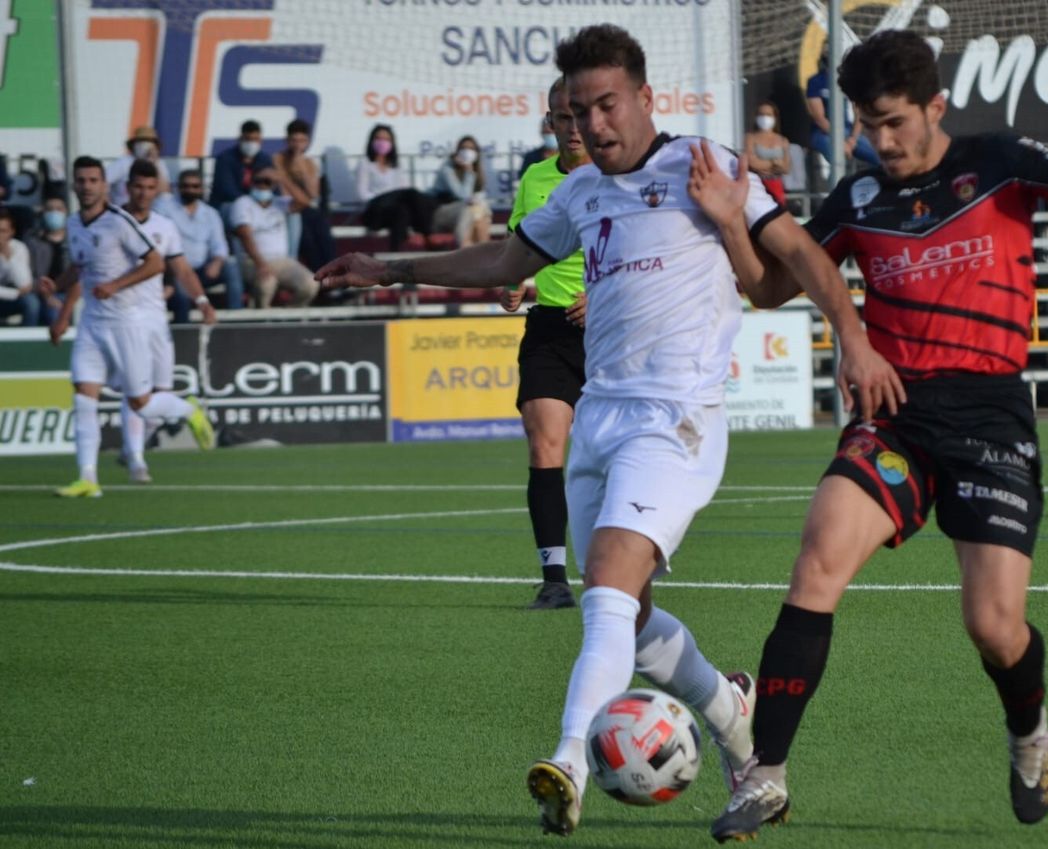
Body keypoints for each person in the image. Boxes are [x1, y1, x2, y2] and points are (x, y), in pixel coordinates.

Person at [313, 24, 901, 838]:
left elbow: (798, 253)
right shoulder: (581, 193)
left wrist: (855, 335)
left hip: (675, 419)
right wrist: (387, 271)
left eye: (607, 105)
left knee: (608, 585)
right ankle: (732, 712)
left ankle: (571, 760)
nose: (593, 124)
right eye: (578, 111)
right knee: (624, 607)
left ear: (645, 98)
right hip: (601, 417)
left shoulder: (702, 164)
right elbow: (502, 263)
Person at [702, 30, 1048, 841]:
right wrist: (729, 224)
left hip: (989, 414)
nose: (878, 141)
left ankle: (1030, 733)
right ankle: (764, 778)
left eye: (892, 123)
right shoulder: (857, 197)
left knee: (992, 625)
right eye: (865, 124)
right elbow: (771, 286)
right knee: (818, 557)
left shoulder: (1000, 163)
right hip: (895, 416)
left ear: (935, 108)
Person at [48, 156, 215, 498]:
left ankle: (188, 409)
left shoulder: (119, 222)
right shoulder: (75, 223)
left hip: (128, 324)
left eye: (94, 180)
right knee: (83, 398)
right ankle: (88, 478)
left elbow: (155, 264)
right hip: (93, 323)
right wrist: (57, 287)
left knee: (140, 402)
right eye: (82, 180)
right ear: (75, 185)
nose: (87, 186)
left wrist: (116, 285)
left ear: (105, 185)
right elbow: (80, 268)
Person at [503, 77, 592, 611]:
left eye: (579, 115)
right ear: (552, 121)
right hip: (551, 330)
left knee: (608, 460)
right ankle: (554, 577)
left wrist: (603, 296)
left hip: (613, 334)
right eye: (563, 116)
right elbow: (520, 246)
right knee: (544, 449)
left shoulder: (619, 177)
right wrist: (516, 282)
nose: (573, 126)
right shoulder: (536, 177)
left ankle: (618, 569)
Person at [119, 159, 218, 481]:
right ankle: (136, 460)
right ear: (128, 187)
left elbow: (183, 269)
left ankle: (142, 441)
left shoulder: (164, 226)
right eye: (138, 187)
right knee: (136, 392)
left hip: (155, 319)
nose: (144, 194)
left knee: (157, 398)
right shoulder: (112, 222)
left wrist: (201, 300)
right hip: (121, 317)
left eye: (150, 188)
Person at [157, 169, 245, 312]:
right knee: (180, 286)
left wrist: (217, 262)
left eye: (195, 186)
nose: (190, 190)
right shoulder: (164, 208)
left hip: (203, 269)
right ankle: (184, 327)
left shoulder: (210, 213)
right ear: (178, 187)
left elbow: (219, 245)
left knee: (231, 267)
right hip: (176, 270)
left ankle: (237, 318)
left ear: (201, 189)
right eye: (186, 186)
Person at [230, 169, 318, 307]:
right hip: (252, 261)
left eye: (267, 181)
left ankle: (287, 318)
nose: (262, 185)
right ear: (251, 183)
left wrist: (283, 178)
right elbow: (245, 236)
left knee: (310, 285)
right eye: (258, 181)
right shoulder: (242, 203)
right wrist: (261, 264)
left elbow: (304, 202)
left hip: (282, 261)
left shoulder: (280, 203)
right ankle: (263, 321)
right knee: (267, 284)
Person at [356, 124, 437, 251]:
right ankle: (428, 237)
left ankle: (395, 251)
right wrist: (387, 197)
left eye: (386, 139)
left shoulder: (397, 164)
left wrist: (393, 199)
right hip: (375, 210)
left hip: (393, 210)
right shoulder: (365, 163)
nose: (382, 142)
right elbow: (362, 194)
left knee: (402, 210)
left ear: (392, 143)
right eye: (378, 138)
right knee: (411, 194)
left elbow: (402, 188)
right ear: (372, 141)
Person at [273, 118, 335, 271]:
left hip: (306, 208)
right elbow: (284, 193)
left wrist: (300, 167)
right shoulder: (277, 159)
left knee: (323, 230)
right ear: (287, 140)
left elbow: (313, 193)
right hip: (287, 209)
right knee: (306, 238)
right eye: (294, 140)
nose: (298, 145)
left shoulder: (309, 163)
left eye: (302, 140)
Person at [805, 51, 880, 167]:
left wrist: (852, 139)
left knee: (880, 156)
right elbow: (819, 118)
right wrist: (840, 141)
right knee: (837, 157)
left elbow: (859, 113)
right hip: (823, 133)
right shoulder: (816, 81)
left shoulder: (848, 81)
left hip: (848, 131)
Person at [431, 135, 492, 247]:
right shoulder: (447, 168)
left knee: (479, 218)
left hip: (468, 212)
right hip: (442, 211)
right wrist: (468, 172)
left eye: (471, 149)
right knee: (470, 210)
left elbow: (478, 197)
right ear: (457, 151)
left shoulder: (477, 170)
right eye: (464, 148)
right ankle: (465, 249)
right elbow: (462, 196)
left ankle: (484, 257)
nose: (467, 151)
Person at [25, 194, 72, 325]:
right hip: (39, 293)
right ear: (43, 212)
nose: (54, 213)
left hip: (68, 294)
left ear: (66, 212)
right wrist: (46, 295)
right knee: (34, 306)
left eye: (59, 209)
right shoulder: (33, 241)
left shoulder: (74, 240)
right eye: (50, 209)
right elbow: (28, 275)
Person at [208, 120, 272, 212]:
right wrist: (251, 202)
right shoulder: (225, 159)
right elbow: (227, 190)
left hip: (258, 205)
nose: (252, 143)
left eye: (255, 139)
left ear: (260, 140)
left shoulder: (265, 160)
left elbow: (273, 188)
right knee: (242, 209)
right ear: (240, 139)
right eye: (248, 139)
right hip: (229, 204)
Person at [106, 126, 171, 207]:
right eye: (141, 142)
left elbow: (165, 192)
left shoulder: (159, 163)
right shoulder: (123, 162)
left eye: (148, 142)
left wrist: (154, 162)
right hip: (123, 211)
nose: (144, 146)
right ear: (134, 145)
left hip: (150, 213)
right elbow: (103, 182)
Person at [744, 101, 791, 206]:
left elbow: (786, 168)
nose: (764, 118)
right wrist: (774, 163)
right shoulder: (750, 138)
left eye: (768, 115)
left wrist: (763, 164)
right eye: (761, 114)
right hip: (757, 184)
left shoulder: (783, 140)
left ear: (775, 117)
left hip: (776, 185)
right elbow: (752, 163)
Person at [0, 208, 40, 326]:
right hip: (10, 295)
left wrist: (8, 256)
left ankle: (30, 342)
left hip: (9, 300)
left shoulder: (19, 248)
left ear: (11, 232)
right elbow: (21, 290)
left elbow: (24, 284)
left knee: (31, 303)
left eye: (3, 231)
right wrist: (16, 293)